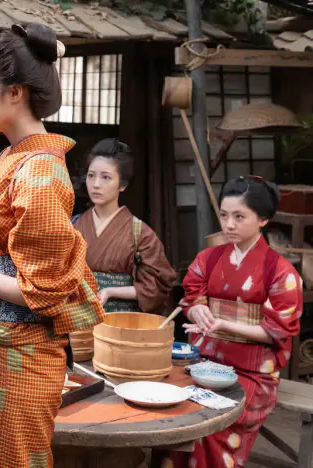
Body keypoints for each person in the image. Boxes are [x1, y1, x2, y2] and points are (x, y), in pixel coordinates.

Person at [0, 24, 105, 468]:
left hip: (21, 353)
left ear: (14, 93)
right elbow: (7, 254)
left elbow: (41, 290)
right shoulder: (13, 157)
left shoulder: (40, 173)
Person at [165, 176, 302, 468]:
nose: (229, 224)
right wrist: (197, 310)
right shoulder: (208, 258)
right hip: (201, 365)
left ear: (263, 219)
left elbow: (277, 331)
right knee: (171, 418)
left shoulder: (281, 272)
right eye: (224, 215)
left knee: (207, 428)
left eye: (239, 217)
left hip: (251, 373)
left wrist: (223, 325)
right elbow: (191, 296)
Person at [72, 139, 175, 313]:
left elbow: (156, 287)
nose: (96, 184)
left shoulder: (141, 233)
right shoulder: (73, 226)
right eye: (91, 176)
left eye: (106, 177)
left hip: (122, 322)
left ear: (123, 185)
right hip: (77, 318)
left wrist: (111, 291)